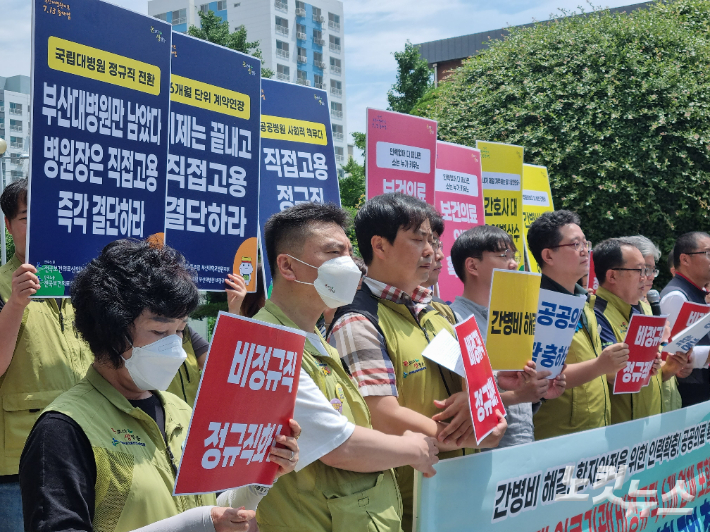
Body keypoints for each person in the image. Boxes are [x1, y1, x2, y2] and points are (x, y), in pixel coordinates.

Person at [20, 239, 301, 532]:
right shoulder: (63, 428)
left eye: (180, 331)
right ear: (111, 332)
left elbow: (219, 508)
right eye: (159, 331)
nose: (175, 347)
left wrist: (261, 476)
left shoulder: (183, 412)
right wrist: (197, 525)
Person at [252, 202, 442, 532]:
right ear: (287, 266)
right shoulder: (267, 343)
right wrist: (415, 448)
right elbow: (340, 446)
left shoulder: (316, 341)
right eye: (333, 253)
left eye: (348, 252)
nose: (350, 264)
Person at [329, 193, 507, 532]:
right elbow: (381, 414)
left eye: (433, 240)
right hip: (411, 504)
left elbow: (484, 383)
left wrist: (482, 410)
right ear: (379, 246)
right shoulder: (358, 319)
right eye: (417, 239)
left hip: (468, 495)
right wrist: (471, 436)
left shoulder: (442, 312)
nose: (431, 251)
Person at [0, 178, 94, 530]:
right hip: (19, 463)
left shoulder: (80, 283)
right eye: (26, 218)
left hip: (85, 448)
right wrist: (16, 303)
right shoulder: (2, 284)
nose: (39, 227)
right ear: (8, 226)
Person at [449, 225, 565, 448]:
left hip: (522, 446)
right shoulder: (454, 320)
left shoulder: (519, 317)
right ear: (472, 265)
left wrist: (540, 388)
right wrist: (518, 394)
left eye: (513, 256)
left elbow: (519, 391)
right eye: (503, 256)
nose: (513, 263)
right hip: (482, 455)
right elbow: (463, 396)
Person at [526, 211, 627, 439]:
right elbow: (541, 378)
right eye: (575, 244)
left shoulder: (584, 300)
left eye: (585, 242)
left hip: (595, 431)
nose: (585, 250)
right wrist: (600, 365)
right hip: (558, 437)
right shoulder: (537, 305)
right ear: (548, 256)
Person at [589, 238, 664, 423]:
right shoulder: (595, 313)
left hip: (652, 425)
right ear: (612, 276)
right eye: (639, 270)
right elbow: (611, 375)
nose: (645, 277)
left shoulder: (646, 308)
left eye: (647, 270)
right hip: (621, 432)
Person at [620, 236, 690, 413]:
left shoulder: (649, 307)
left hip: (665, 407)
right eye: (645, 269)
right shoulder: (607, 310)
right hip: (633, 418)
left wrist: (675, 367)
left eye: (653, 269)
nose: (650, 276)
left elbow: (658, 365)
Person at [660, 232, 710, 406]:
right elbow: (669, 353)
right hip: (688, 396)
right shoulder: (676, 296)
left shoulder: (699, 292)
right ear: (685, 259)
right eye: (708, 253)